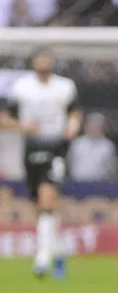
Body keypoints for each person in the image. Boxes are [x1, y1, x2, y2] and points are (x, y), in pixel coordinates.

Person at [0, 48, 81, 279]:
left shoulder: (65, 86)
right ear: (34, 63)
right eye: (40, 61)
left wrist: (72, 128)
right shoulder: (22, 88)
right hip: (31, 148)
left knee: (47, 196)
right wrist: (23, 127)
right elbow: (4, 118)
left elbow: (75, 113)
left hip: (56, 147)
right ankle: (57, 252)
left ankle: (42, 258)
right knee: (40, 206)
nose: (44, 65)